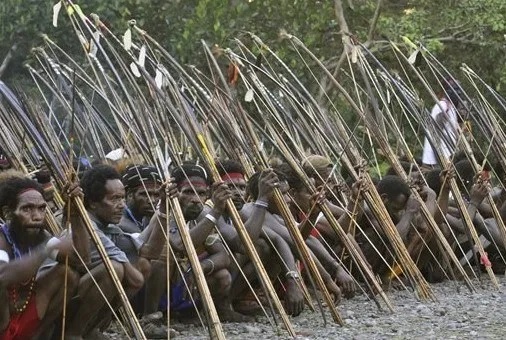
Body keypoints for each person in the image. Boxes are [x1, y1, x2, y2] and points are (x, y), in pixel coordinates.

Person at [214, 160, 305, 317]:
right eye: (230, 187)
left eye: (241, 187)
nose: (236, 192)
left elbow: (280, 241)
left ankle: (239, 298)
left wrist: (293, 279)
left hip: (227, 274)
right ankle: (222, 305)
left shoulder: (239, 211)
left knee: (265, 245)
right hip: (205, 279)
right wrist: (262, 199)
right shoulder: (212, 210)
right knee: (256, 246)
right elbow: (242, 245)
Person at [0, 176, 84, 339]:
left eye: (42, 208)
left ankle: (35, 336)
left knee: (67, 274)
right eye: (27, 209)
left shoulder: (40, 236)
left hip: (21, 321)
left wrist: (75, 213)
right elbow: (3, 276)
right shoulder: (2, 238)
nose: (37, 216)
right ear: (8, 212)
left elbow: (81, 262)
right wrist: (45, 251)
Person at [168, 162, 247, 322]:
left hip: (186, 279)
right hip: (164, 285)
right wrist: (216, 211)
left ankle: (199, 311)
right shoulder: (166, 213)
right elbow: (180, 246)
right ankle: (155, 315)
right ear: (176, 193)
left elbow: (223, 255)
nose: (196, 199)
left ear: (208, 194)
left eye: (201, 193)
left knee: (222, 275)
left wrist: (199, 269)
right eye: (188, 192)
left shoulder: (200, 216)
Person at [422, 78, 463, 167]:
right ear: (447, 90)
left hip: (448, 156)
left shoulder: (451, 107)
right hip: (438, 160)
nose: (458, 93)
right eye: (455, 89)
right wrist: (443, 159)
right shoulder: (442, 107)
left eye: (459, 89)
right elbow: (435, 135)